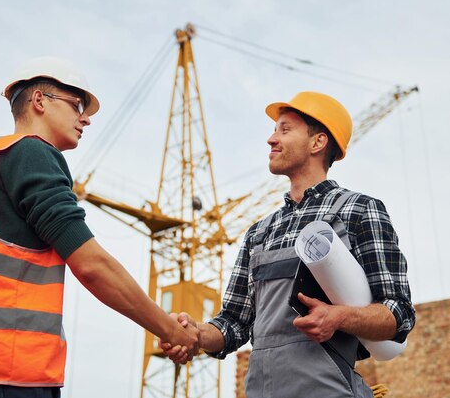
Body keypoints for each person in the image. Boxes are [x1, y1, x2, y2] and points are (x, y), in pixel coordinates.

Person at [0, 56, 198, 398]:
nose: (86, 119)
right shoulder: (31, 153)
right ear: (39, 101)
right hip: (3, 373)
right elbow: (90, 264)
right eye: (77, 105)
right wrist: (169, 329)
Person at [161, 91, 415, 397]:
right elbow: (234, 324)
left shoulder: (358, 211)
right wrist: (197, 334)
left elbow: (399, 312)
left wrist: (338, 317)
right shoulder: (260, 232)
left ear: (317, 143)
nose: (271, 139)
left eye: (285, 129)